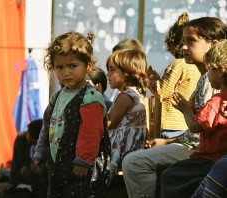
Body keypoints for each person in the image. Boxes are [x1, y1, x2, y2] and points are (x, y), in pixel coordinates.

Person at [122, 16, 227, 198]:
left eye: (191, 41)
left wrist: (173, 136)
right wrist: (168, 141)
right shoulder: (204, 79)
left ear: (213, 44)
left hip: (205, 153)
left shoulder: (216, 84)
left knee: (134, 163)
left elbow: (198, 128)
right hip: (197, 147)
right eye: (183, 41)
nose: (184, 47)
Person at [33, 31, 111, 198]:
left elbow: (92, 130)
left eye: (72, 66)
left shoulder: (90, 97)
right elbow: (47, 126)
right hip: (58, 164)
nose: (65, 72)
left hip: (82, 167)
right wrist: (40, 152)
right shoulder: (58, 97)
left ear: (88, 65)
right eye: (59, 67)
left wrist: (83, 160)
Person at [161, 39, 227, 197]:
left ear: (219, 71)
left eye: (209, 69)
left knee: (169, 175)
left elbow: (196, 126)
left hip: (209, 160)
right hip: (220, 159)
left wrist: (186, 110)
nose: (207, 74)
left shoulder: (216, 101)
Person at [148, 12, 201, 138]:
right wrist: (158, 80)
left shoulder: (178, 64)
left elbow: (162, 92)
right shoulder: (196, 66)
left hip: (171, 125)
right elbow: (174, 88)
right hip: (186, 123)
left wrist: (150, 80)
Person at [106, 49, 149, 182]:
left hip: (119, 151)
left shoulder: (126, 96)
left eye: (112, 70)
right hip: (129, 149)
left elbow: (107, 123)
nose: (108, 74)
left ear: (127, 73)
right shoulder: (136, 93)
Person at [4, 119, 47, 198]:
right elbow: (20, 165)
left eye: (29, 133)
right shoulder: (22, 139)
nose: (27, 135)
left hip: (42, 176)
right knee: (24, 170)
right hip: (26, 175)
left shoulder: (45, 140)